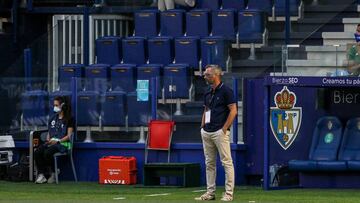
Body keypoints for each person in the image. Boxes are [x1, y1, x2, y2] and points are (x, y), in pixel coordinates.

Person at [195, 64, 237, 201]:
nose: (205, 76)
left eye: (207, 74)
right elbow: (206, 109)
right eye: (205, 74)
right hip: (207, 131)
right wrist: (202, 126)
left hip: (220, 131)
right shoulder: (207, 91)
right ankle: (210, 192)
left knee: (226, 162)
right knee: (209, 163)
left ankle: (229, 194)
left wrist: (224, 128)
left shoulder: (226, 91)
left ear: (216, 75)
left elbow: (233, 110)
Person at [34, 96, 74, 184]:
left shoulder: (69, 119)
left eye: (56, 105)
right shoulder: (52, 118)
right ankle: (42, 174)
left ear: (62, 106)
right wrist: (48, 139)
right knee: (38, 151)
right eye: (54, 105)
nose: (54, 107)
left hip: (64, 144)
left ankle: (54, 172)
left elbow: (69, 136)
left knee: (47, 152)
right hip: (52, 143)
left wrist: (58, 141)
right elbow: (50, 131)